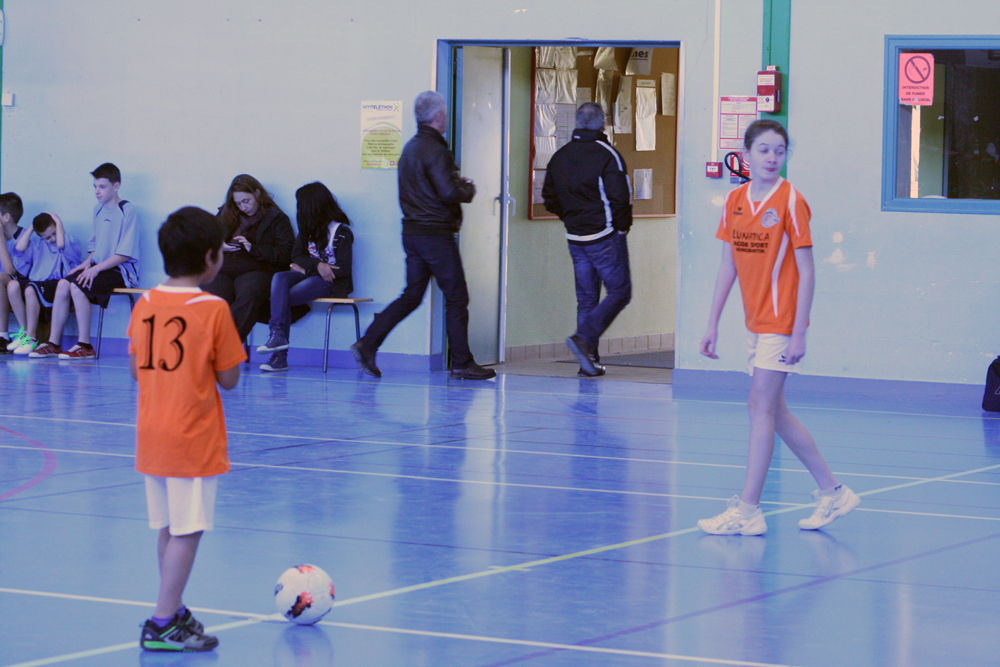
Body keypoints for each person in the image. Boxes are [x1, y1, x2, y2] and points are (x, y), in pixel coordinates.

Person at [697, 119, 860, 535]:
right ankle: (833, 491)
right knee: (777, 413)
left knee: (759, 407)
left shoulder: (791, 201)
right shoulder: (734, 201)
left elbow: (807, 271)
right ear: (746, 154)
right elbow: (728, 266)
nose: (772, 157)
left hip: (782, 320)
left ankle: (748, 510)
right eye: (764, 150)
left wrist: (799, 330)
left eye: (780, 151)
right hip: (755, 322)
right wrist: (712, 323)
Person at [128, 206, 246, 652]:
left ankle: (173, 610)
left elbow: (136, 371)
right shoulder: (213, 308)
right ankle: (161, 621)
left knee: (169, 526)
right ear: (212, 257)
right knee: (188, 529)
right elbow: (230, 378)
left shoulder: (145, 302)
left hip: (151, 434)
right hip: (191, 438)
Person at [350, 90, 495, 380]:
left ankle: (368, 343)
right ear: (438, 116)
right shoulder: (435, 150)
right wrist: (467, 187)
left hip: (413, 233)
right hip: (435, 234)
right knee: (456, 297)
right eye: (445, 114)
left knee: (412, 296)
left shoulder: (410, 149)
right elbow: (448, 192)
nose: (446, 118)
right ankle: (462, 363)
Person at [542, 102, 633, 377]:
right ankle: (583, 339)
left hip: (575, 237)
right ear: (603, 124)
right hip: (604, 236)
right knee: (620, 292)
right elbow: (621, 197)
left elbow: (549, 198)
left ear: (577, 123)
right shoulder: (608, 155)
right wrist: (621, 228)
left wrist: (570, 218)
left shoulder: (560, 156)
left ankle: (588, 362)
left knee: (586, 299)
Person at [30, 163, 140, 360]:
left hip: (121, 270)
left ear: (116, 186)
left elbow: (124, 254)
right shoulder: (98, 210)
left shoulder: (127, 210)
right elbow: (96, 249)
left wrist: (95, 269)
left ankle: (85, 345)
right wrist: (86, 264)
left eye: (102, 187)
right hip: (99, 267)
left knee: (78, 285)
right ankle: (53, 343)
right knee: (64, 283)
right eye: (95, 186)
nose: (97, 191)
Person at [256, 182, 354, 372]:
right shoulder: (307, 230)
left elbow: (344, 269)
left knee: (282, 299)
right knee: (280, 277)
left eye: (301, 205)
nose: (299, 209)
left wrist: (307, 269)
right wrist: (318, 265)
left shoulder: (341, 232)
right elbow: (296, 256)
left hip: (332, 283)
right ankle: (278, 336)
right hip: (313, 276)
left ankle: (279, 356)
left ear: (312, 207)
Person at [202, 174, 294, 342]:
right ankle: (211, 344)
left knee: (249, 294)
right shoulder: (226, 213)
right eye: (238, 203)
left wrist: (254, 249)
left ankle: (225, 346)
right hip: (224, 267)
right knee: (212, 296)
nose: (243, 207)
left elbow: (285, 254)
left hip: (257, 268)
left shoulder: (277, 218)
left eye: (246, 201)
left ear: (257, 193)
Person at [6, 213, 83, 354]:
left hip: (57, 284)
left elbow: (60, 244)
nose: (52, 239)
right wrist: (32, 227)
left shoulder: (68, 240)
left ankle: (31, 338)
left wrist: (58, 221)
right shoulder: (38, 243)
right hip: (39, 283)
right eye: (47, 237)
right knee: (12, 286)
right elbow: (19, 249)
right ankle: (25, 332)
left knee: (31, 289)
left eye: (54, 233)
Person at [0, 192, 26, 353]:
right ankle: (2, 336)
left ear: (6, 217)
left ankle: (3, 335)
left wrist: (0, 240)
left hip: (24, 284)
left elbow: (11, 271)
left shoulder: (24, 238)